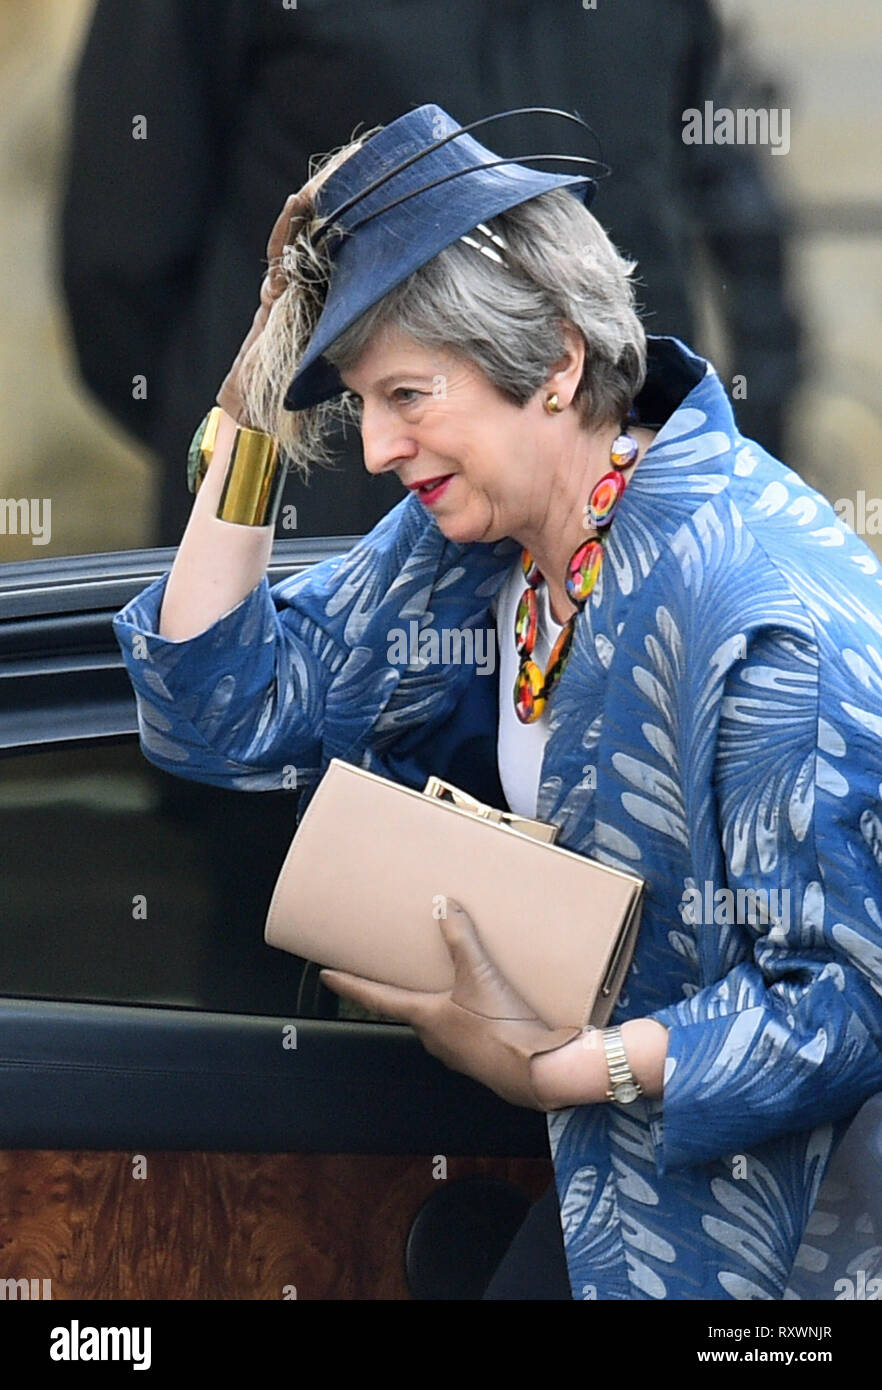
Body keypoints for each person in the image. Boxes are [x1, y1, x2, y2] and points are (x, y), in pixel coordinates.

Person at [113, 105, 882, 1301]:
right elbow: (223, 709)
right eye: (360, 401)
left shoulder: (763, 606)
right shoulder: (472, 544)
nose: (373, 447)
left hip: (773, 1262)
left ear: (558, 361)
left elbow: (848, 999)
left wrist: (558, 1070)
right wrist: (255, 409)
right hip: (597, 1204)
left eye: (407, 394)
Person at [60, 0, 802, 545]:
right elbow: (122, 259)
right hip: (325, 547)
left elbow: (723, 196)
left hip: (621, 535)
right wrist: (265, 443)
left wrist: (736, 434)